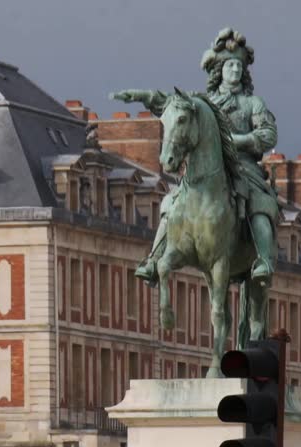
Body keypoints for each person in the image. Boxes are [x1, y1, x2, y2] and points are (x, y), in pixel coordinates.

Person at [119, 28, 279, 286]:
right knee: (170, 203)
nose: (235, 70)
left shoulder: (253, 104)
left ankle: (262, 259)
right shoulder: (203, 102)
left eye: (238, 65)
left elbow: (268, 134)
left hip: (243, 166)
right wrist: (143, 96)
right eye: (230, 65)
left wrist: (240, 140)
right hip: (204, 167)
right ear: (220, 70)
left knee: (261, 206)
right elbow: (171, 104)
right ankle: (154, 257)